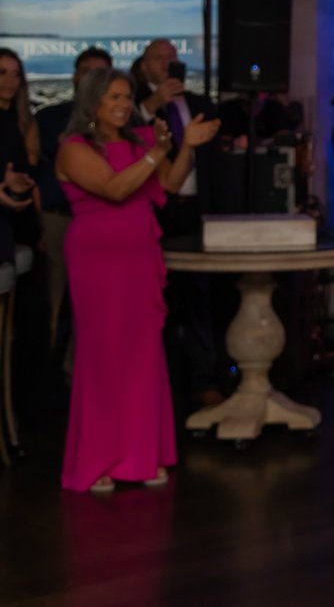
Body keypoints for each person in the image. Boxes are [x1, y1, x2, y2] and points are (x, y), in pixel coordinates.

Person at [56, 67, 219, 492]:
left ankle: (141, 456)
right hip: (97, 263)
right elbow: (114, 189)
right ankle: (97, 461)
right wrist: (153, 153)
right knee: (103, 357)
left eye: (127, 97)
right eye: (115, 97)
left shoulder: (141, 141)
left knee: (143, 355)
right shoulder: (73, 149)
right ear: (93, 102)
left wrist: (186, 148)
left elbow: (171, 183)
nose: (125, 104)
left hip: (140, 259)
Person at [131, 39, 222, 408]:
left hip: (196, 208)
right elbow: (125, 135)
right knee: (159, 300)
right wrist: (153, 104)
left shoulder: (199, 105)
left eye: (173, 57)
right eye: (159, 58)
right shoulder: (136, 105)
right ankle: (162, 385)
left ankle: (205, 381)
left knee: (201, 296)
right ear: (145, 67)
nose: (168, 64)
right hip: (157, 212)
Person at [36, 47, 112, 349]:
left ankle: (78, 375)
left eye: (100, 73)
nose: (92, 80)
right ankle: (45, 382)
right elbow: (34, 172)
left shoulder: (119, 125)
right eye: (86, 72)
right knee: (51, 303)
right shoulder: (48, 118)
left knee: (95, 309)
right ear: (74, 77)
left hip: (103, 225)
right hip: (57, 221)